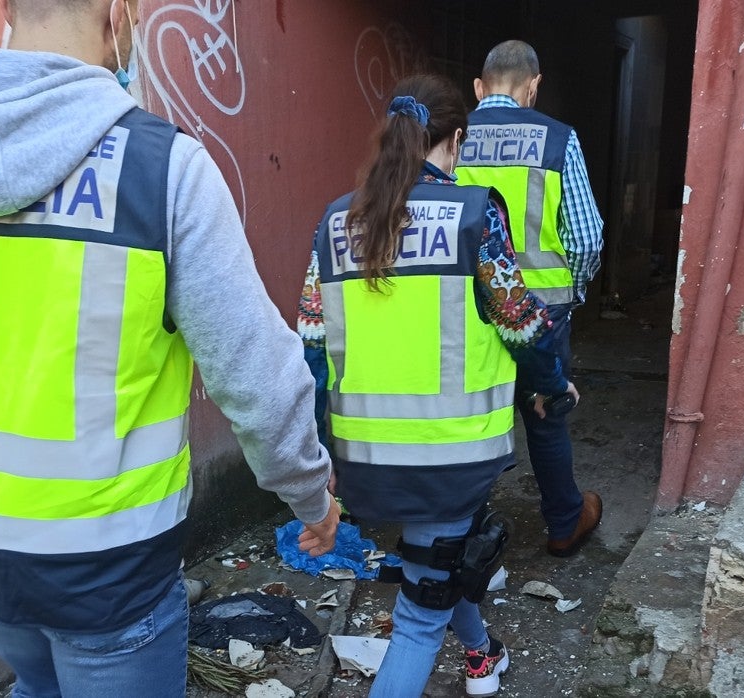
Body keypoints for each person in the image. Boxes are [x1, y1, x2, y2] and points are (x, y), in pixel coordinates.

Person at [0, 0, 339, 695]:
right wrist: (312, 498)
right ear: (120, 14)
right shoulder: (163, 171)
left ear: (8, 6)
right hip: (109, 575)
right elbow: (258, 380)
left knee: (40, 685)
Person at [298, 74, 579, 698]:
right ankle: (470, 656)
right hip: (453, 452)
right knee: (419, 615)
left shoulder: (336, 222)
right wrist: (551, 388)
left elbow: (312, 349)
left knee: (435, 560)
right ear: (457, 139)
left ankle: (482, 656)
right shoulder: (475, 214)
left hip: (366, 456)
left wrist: (319, 454)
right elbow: (523, 324)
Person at [455, 40, 605, 557]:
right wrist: (573, 290)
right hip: (543, 307)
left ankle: (463, 530)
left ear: (480, 87)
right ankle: (564, 524)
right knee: (545, 412)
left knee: (474, 412)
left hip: (470, 304)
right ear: (534, 86)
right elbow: (586, 236)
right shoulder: (558, 138)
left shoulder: (452, 137)